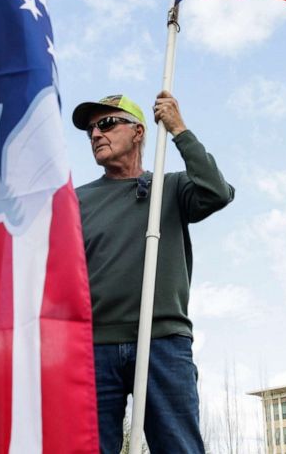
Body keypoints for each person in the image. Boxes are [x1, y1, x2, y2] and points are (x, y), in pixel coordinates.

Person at [72, 91, 235, 453]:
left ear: (139, 131)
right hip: (94, 348)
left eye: (108, 123)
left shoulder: (170, 186)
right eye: (91, 131)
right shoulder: (76, 200)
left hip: (162, 341)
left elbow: (216, 192)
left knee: (178, 447)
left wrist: (179, 129)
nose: (97, 134)